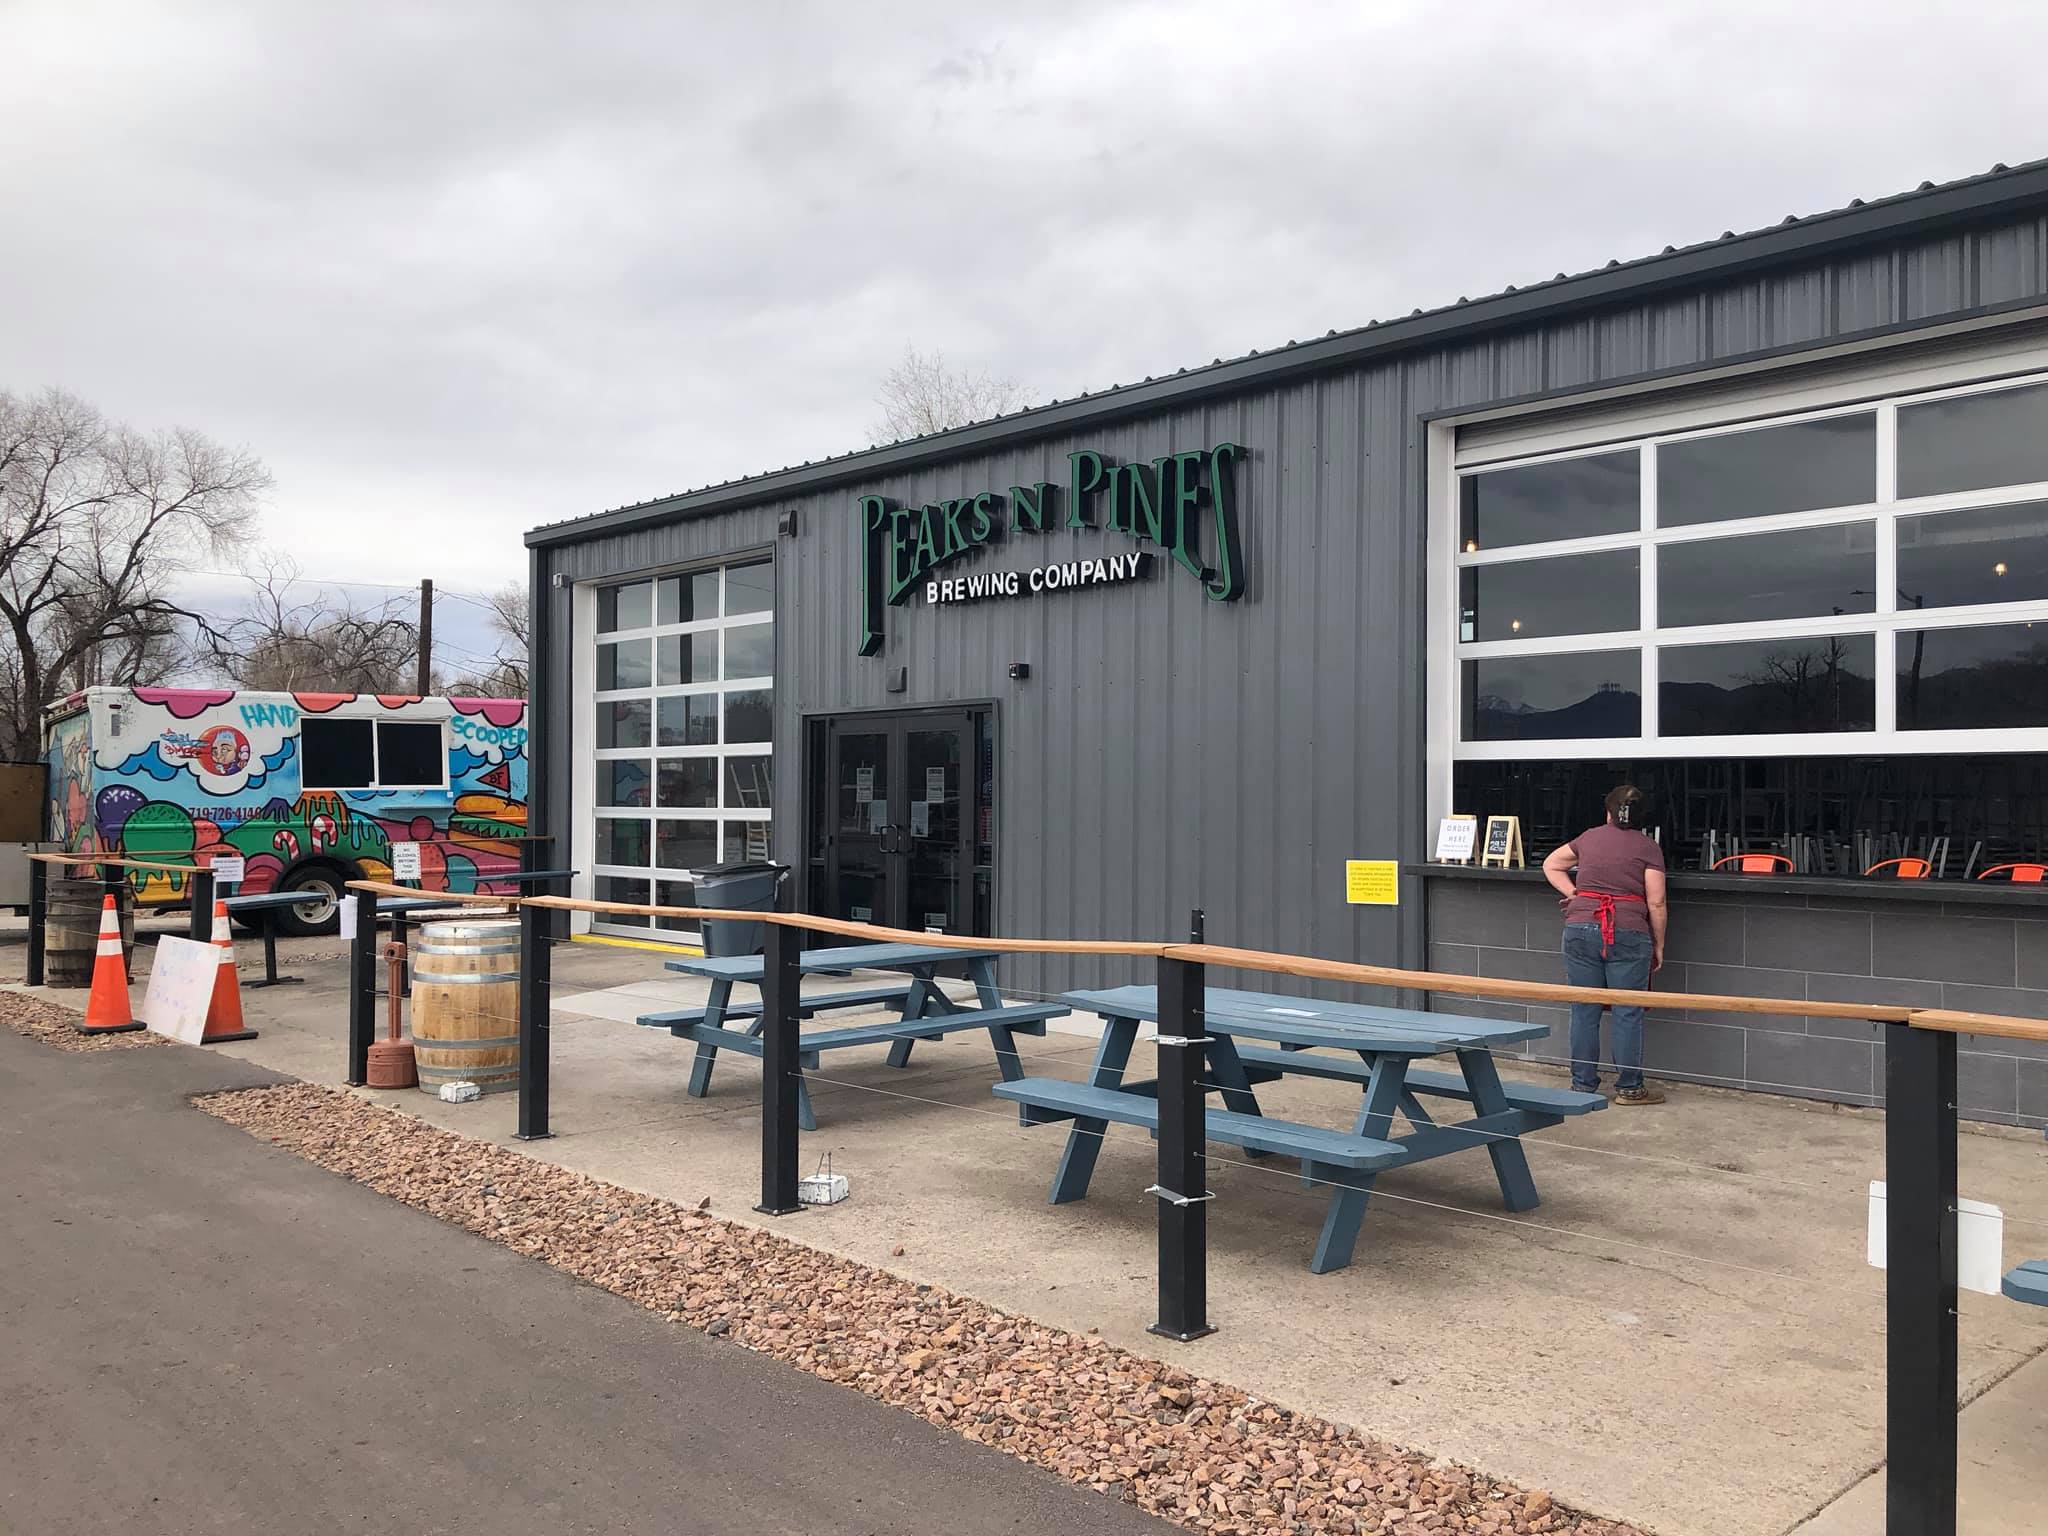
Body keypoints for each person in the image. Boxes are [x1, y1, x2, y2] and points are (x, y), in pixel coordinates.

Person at [1541, 784, 1669, 1106]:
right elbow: (1657, 902)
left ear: (1608, 812)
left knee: (1584, 1009)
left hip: (1580, 927)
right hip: (1629, 931)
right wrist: (1660, 944)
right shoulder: (1648, 847)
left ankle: (1583, 1086)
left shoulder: (1588, 838)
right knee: (1628, 1012)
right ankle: (1629, 1089)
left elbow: (1551, 864)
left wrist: (1576, 895)